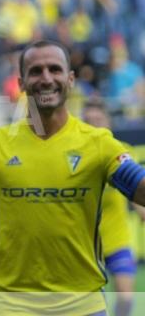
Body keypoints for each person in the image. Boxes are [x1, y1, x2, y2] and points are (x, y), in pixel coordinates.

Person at [0, 40, 145, 315]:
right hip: (16, 309)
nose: (46, 78)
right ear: (22, 83)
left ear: (70, 79)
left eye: (54, 69)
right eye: (36, 71)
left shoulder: (99, 144)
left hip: (84, 308)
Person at [82, 99, 137, 316]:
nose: (94, 125)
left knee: (125, 297)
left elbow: (136, 192)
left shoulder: (122, 154)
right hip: (87, 247)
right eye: (89, 120)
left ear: (108, 123)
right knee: (96, 307)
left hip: (117, 240)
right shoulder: (75, 158)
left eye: (98, 120)